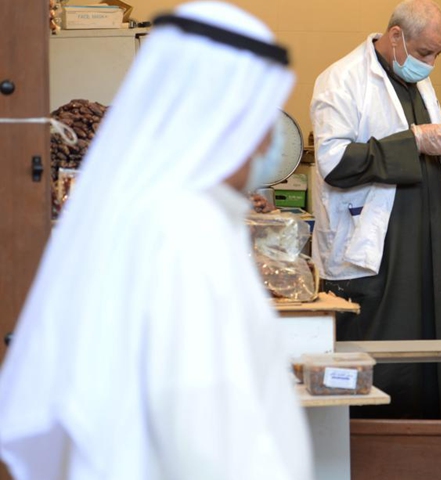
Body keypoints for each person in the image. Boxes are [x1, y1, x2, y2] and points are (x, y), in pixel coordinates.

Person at [0, 3, 312, 480]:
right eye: (256, 127)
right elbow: (201, 438)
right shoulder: (181, 232)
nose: (264, 148)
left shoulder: (157, 210)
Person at [310, 0, 441, 420]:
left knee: (429, 351)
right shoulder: (341, 80)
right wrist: (417, 141)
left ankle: (429, 449)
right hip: (376, 247)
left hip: (424, 240)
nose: (431, 64)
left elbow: (421, 145)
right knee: (383, 358)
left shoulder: (414, 78)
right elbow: (333, 162)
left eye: (438, 54)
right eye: (425, 53)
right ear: (396, 36)